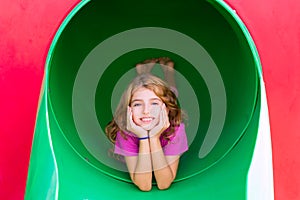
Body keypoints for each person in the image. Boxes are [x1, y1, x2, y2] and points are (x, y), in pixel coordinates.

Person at [105, 57, 188, 191]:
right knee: (144, 90)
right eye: (137, 104)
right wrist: (144, 138)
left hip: (167, 110)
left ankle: (169, 72)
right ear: (129, 109)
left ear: (165, 109)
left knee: (171, 94)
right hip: (137, 129)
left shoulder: (175, 129)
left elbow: (164, 184)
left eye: (154, 104)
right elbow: (144, 186)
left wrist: (155, 138)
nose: (146, 111)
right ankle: (143, 75)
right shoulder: (126, 132)